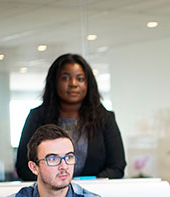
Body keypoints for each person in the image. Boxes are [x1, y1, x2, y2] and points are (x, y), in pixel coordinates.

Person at [15, 53, 126, 181]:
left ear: (88, 84)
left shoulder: (105, 118)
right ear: (54, 82)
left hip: (93, 194)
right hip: (49, 196)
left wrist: (86, 184)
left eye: (80, 79)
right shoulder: (37, 117)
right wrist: (57, 183)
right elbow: (24, 168)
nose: (73, 84)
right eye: (65, 78)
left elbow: (117, 167)